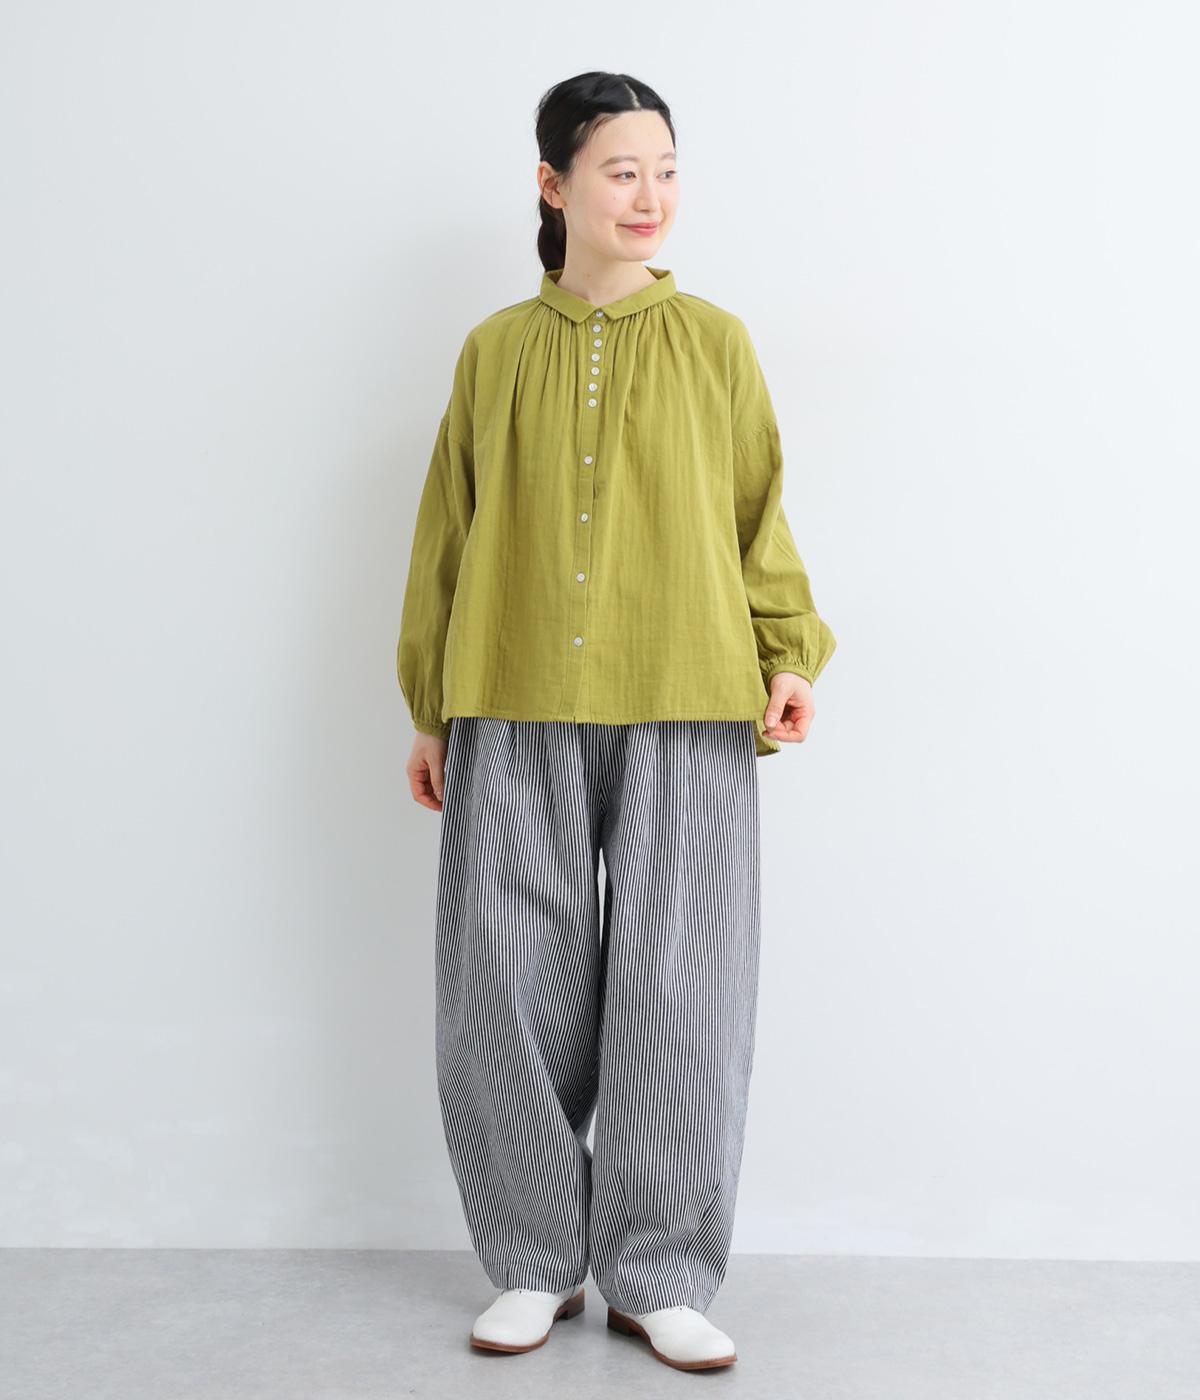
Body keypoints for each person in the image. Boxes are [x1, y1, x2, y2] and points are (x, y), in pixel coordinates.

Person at [396, 71, 837, 1373]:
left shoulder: (716, 342)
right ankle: (535, 1261)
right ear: (554, 185)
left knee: (681, 985)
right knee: (502, 980)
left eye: (667, 171)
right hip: (513, 689)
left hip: (689, 693)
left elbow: (757, 514)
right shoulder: (494, 350)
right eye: (621, 171)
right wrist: (430, 706)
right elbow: (448, 534)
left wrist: (787, 652)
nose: (651, 197)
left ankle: (661, 1271)